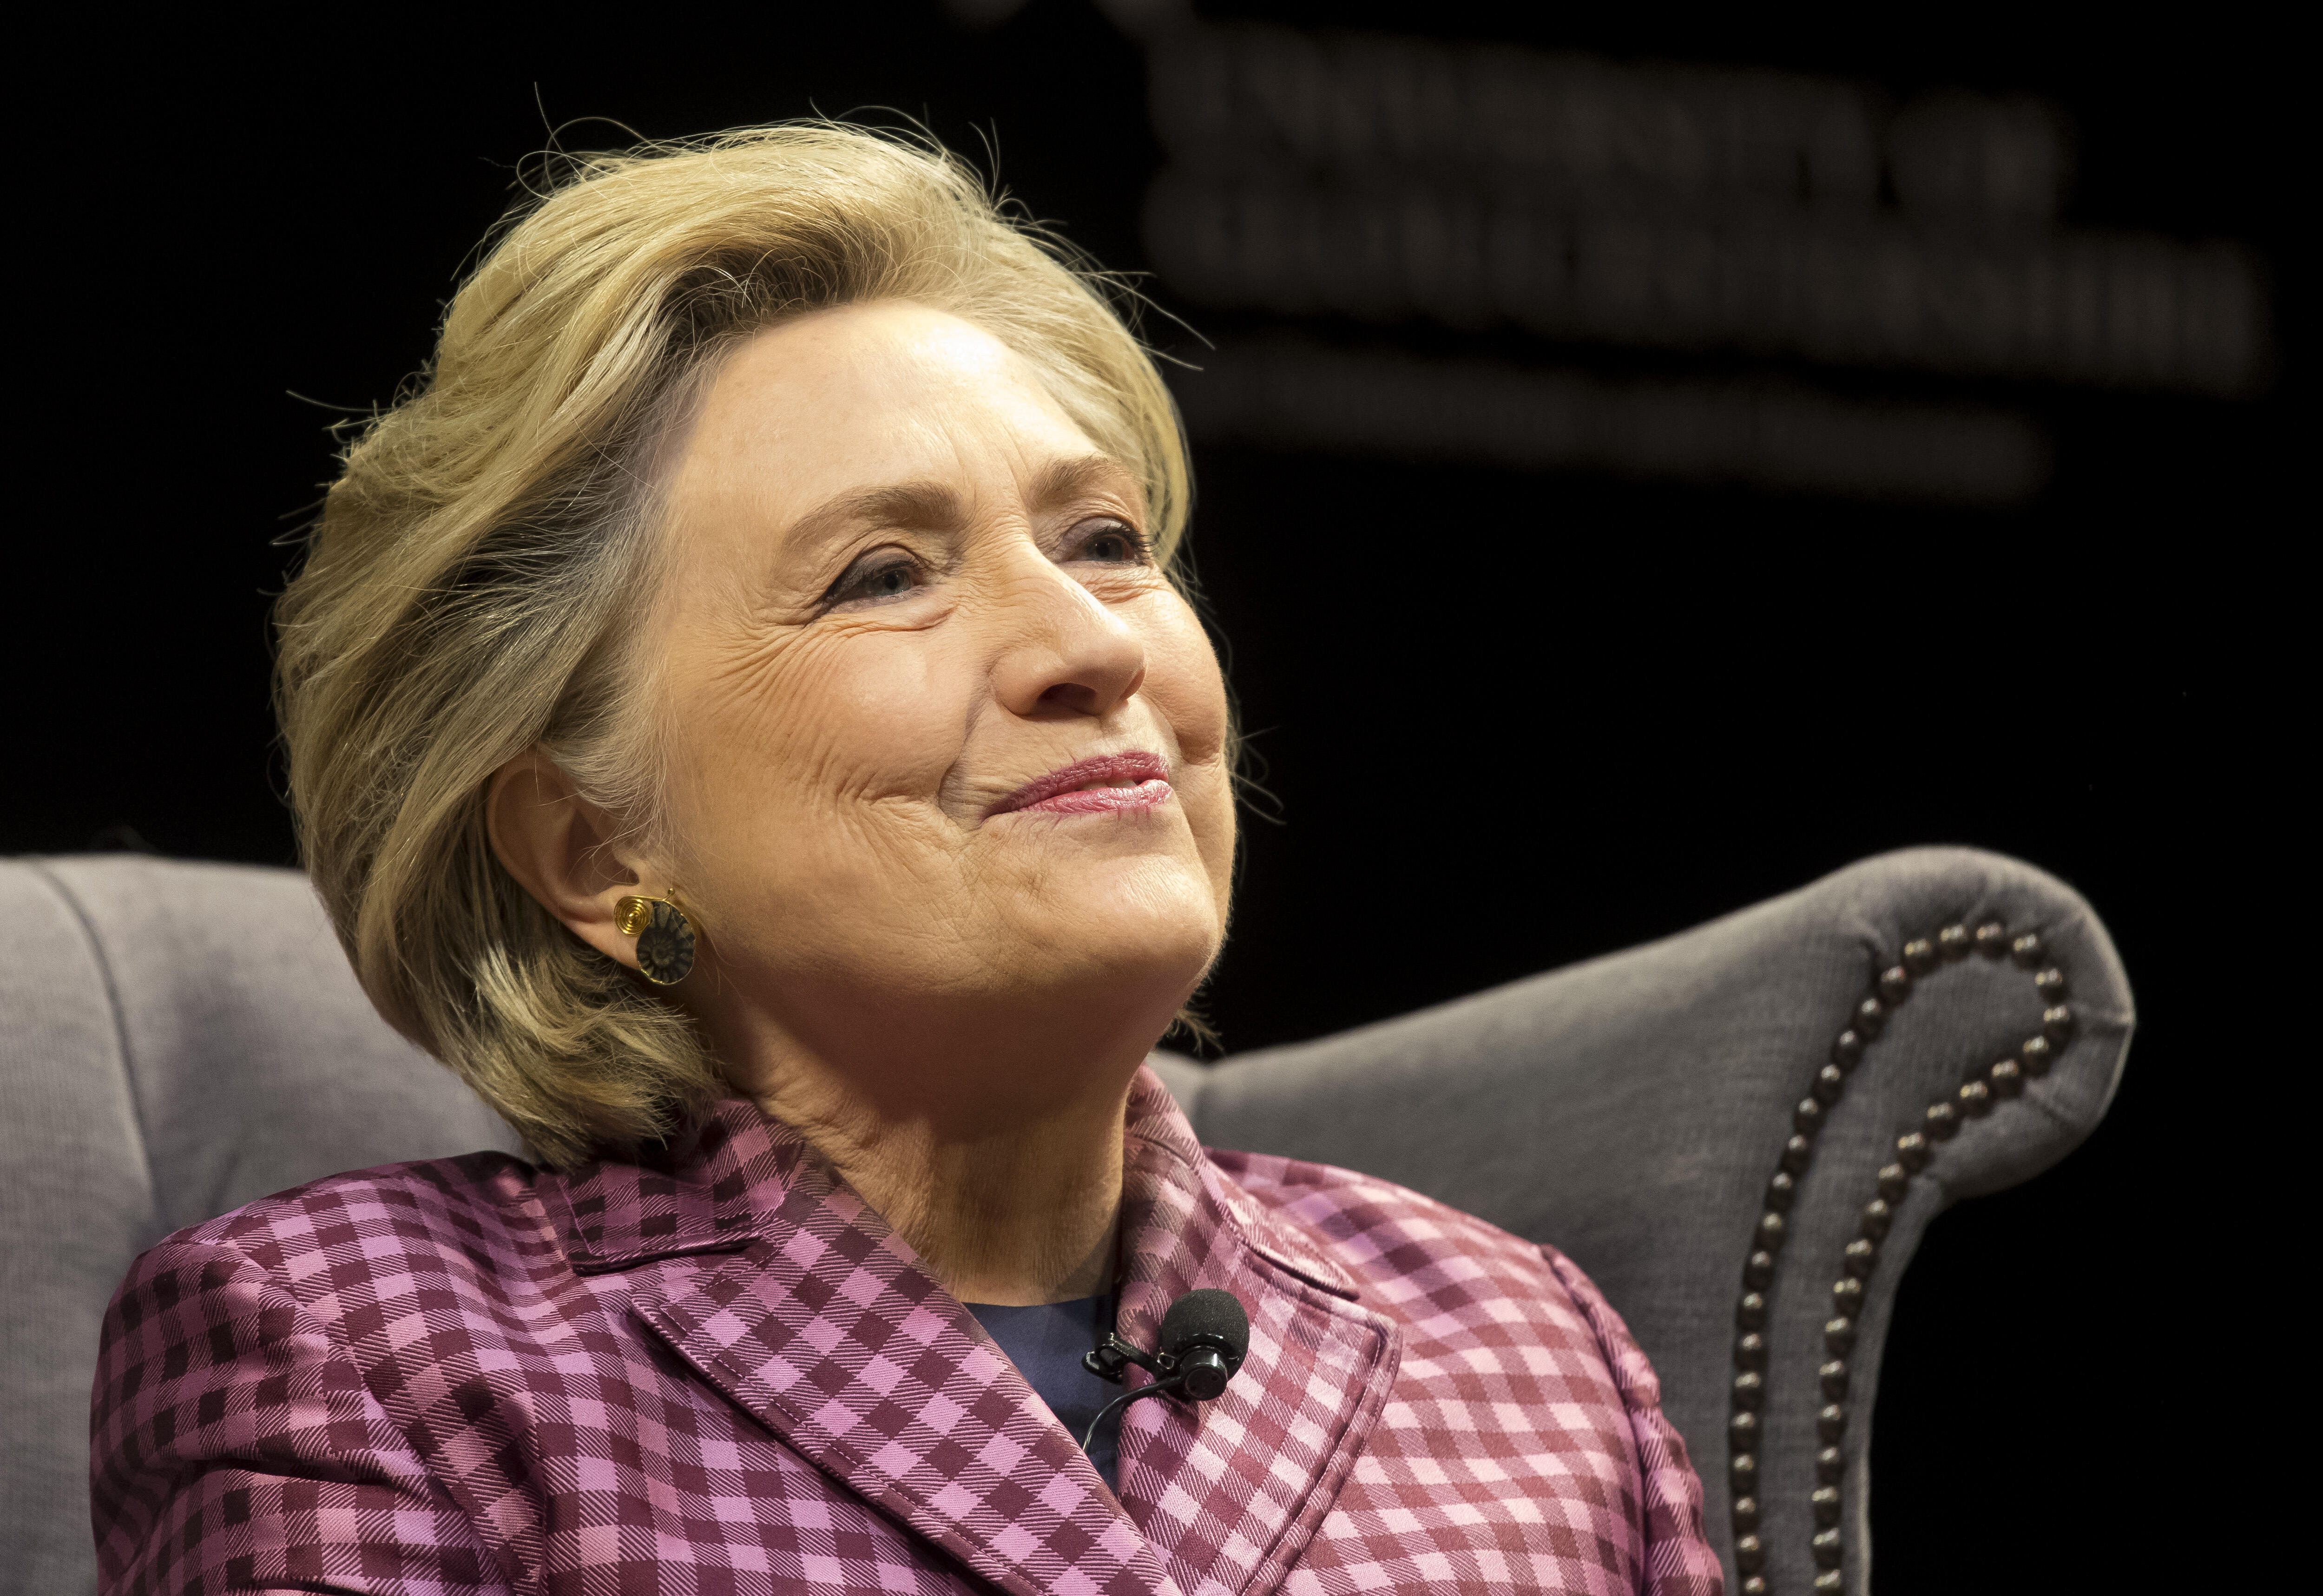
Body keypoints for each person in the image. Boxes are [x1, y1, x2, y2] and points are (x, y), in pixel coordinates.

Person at [89, 125, 1723, 1595]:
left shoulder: (1517, 1340)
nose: (1089, 646)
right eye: (884, 575)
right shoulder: (351, 1351)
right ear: (595, 848)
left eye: (1105, 541)